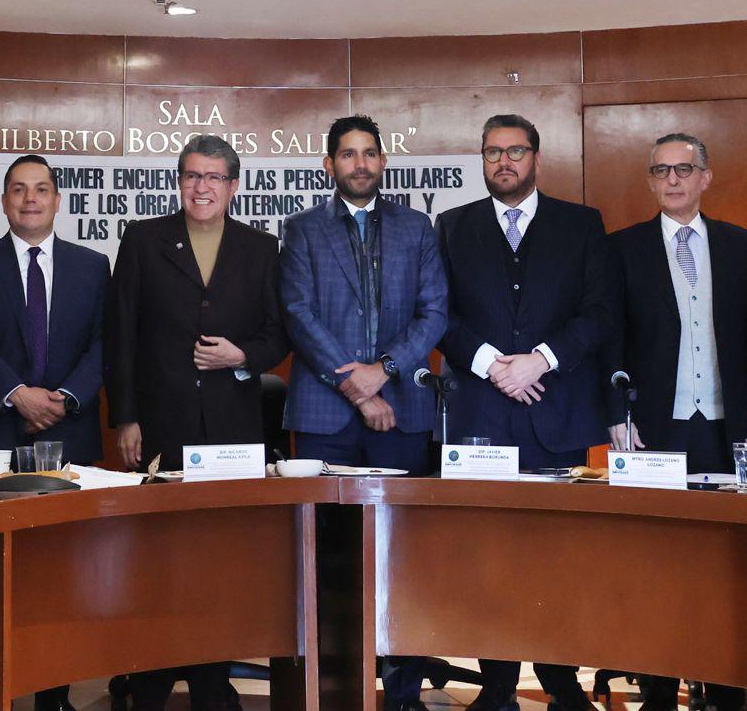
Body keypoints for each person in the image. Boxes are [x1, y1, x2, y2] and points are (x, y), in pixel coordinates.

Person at [104, 135, 290, 711]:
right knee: (161, 559)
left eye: (213, 177)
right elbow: (121, 335)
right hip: (162, 424)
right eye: (191, 175)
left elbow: (279, 335)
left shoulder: (261, 248)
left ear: (233, 185)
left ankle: (212, 681)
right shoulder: (143, 239)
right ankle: (152, 681)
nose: (201, 187)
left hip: (232, 430)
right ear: (179, 181)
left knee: (220, 559)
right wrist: (125, 417)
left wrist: (242, 357)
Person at [434, 114, 612, 711]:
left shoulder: (581, 224)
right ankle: (498, 683)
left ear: (536, 157)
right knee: (489, 555)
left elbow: (599, 311)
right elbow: (439, 313)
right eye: (492, 152)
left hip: (554, 414)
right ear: (481, 159)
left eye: (515, 151)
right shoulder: (453, 226)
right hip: (480, 416)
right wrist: (492, 365)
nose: (503, 162)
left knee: (556, 554)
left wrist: (541, 360)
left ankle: (561, 681)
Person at [280, 115, 446, 711]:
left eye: (369, 153)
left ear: (383, 161)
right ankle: (334, 690)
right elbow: (298, 314)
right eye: (348, 154)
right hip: (325, 417)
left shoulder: (417, 228)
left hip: (403, 411)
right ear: (330, 165)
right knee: (327, 555)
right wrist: (358, 387)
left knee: (404, 556)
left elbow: (434, 312)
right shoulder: (301, 229)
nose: (360, 164)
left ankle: (403, 691)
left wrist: (385, 371)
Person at [604, 133, 747, 711]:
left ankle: (726, 685)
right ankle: (656, 686)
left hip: (727, 431)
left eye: (683, 169)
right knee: (656, 560)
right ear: (650, 181)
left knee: (729, 562)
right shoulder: (621, 248)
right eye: (661, 171)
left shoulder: (743, 246)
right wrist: (615, 415)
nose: (672, 180)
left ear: (706, 177)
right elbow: (610, 339)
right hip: (654, 428)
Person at [0, 154, 107, 711]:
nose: (30, 199)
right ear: (3, 201)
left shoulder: (93, 266)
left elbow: (104, 342)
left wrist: (64, 399)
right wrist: (18, 394)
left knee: (59, 573)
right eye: (18, 189)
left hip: (70, 432)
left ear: (58, 200)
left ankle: (53, 695)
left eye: (41, 189)